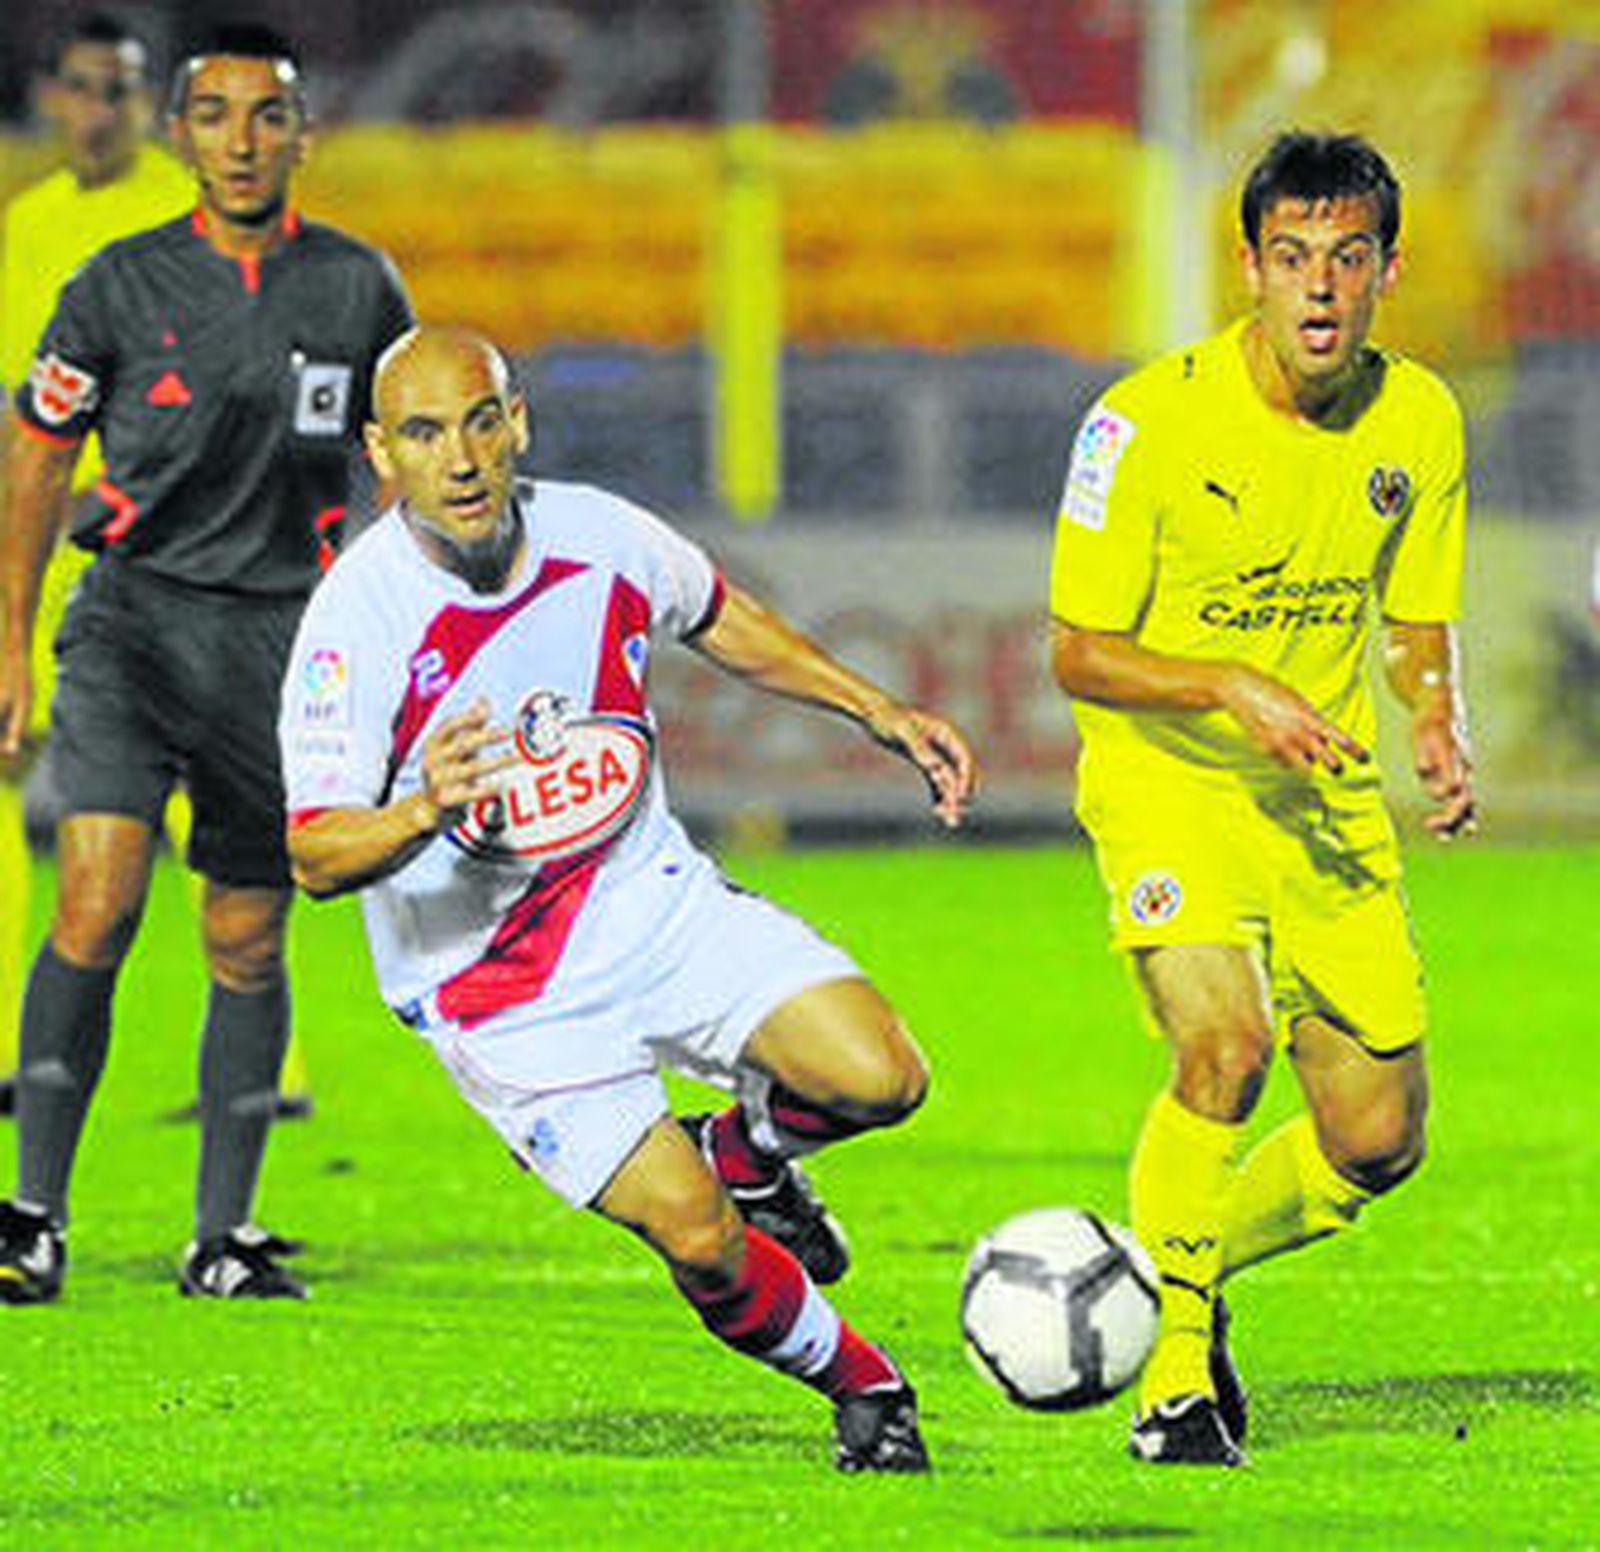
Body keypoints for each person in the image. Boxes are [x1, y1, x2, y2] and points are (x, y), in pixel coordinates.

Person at [277, 326, 978, 1471]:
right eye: (421, 433)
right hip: (499, 994)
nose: (458, 458)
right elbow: (314, 853)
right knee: (699, 1239)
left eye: (479, 421)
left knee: (880, 1073)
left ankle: (748, 1153)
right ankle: (869, 1388)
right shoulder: (358, 622)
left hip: (645, 900)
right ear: (377, 455)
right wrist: (417, 813)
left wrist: (878, 710)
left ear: (519, 424)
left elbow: (718, 615)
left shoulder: (597, 533)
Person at [1049, 131, 1474, 1467]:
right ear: (1247, 266)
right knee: (1222, 1049)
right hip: (1168, 777)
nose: (1320, 289)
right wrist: (1230, 683)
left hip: (1321, 796)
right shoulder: (1141, 422)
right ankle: (1176, 1381)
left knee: (1376, 1139)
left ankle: (1176, 1272)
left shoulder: (1422, 420)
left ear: (1388, 271)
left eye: (1349, 258)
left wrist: (1434, 714)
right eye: (1292, 257)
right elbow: (1077, 649)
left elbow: (1416, 617)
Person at [0, 24, 413, 1304]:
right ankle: (29, 1215)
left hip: (284, 648)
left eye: (269, 116)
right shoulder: (116, 283)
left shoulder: (358, 290)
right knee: (98, 897)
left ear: (303, 133)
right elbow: (39, 458)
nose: (243, 141)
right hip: (132, 626)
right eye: (218, 116)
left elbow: (406, 462)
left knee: (244, 933)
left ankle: (220, 1237)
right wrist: (9, 640)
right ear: (181, 135)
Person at [0, 13, 192, 1117]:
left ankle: (268, 1069)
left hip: (146, 539)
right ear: (51, 96)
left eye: (118, 90)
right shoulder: (30, 222)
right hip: (44, 535)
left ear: (143, 102)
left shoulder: (178, 207)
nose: (98, 110)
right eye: (81, 88)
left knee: (191, 796)